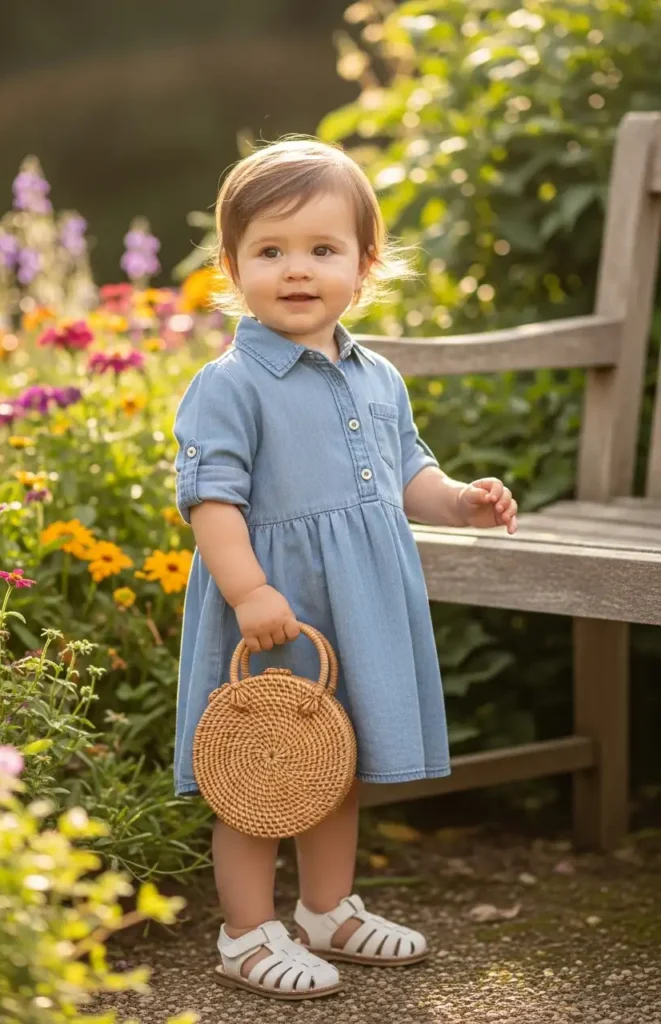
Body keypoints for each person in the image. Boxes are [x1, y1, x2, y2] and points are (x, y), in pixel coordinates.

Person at [172, 136, 518, 1000]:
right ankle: (246, 932)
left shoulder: (378, 377)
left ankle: (326, 909)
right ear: (233, 265)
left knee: (334, 759)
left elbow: (410, 476)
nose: (297, 270)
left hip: (358, 602)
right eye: (271, 251)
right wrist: (250, 590)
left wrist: (458, 502)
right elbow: (209, 502)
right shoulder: (230, 384)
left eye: (322, 250)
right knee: (261, 765)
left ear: (362, 266)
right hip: (275, 605)